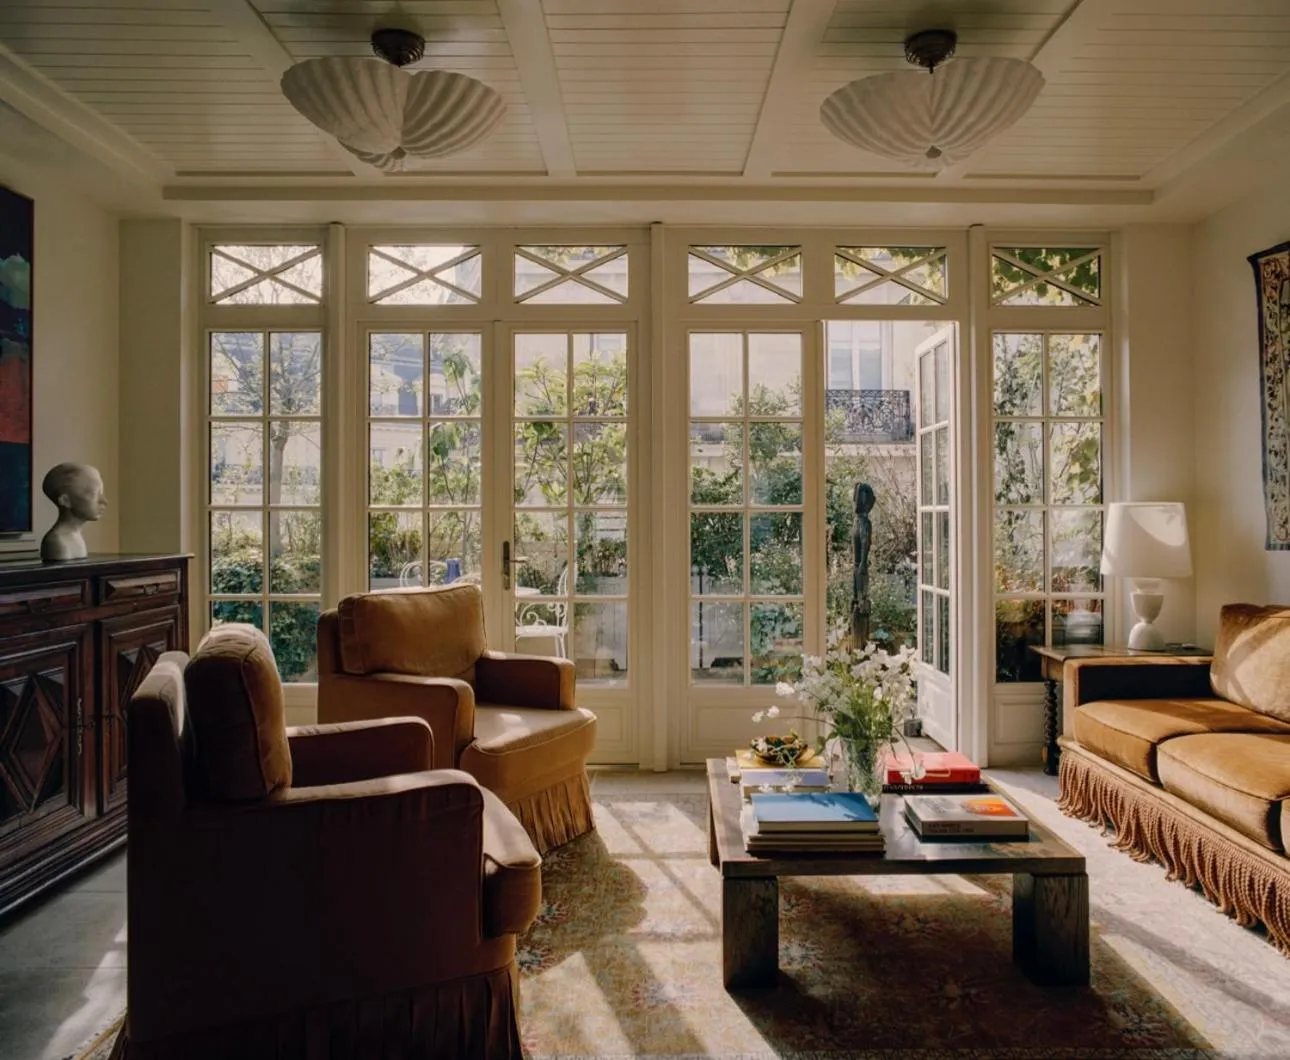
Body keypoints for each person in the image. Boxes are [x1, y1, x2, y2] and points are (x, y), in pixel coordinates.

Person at [40, 462, 107, 561]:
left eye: (101, 493)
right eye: (94, 493)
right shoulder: (56, 542)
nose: (104, 501)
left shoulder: (75, 537)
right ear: (66, 501)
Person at [850, 482, 875, 646]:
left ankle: (860, 642)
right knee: (855, 599)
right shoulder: (857, 521)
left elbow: (866, 543)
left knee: (861, 599)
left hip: (860, 566)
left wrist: (863, 563)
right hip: (856, 565)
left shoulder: (864, 523)